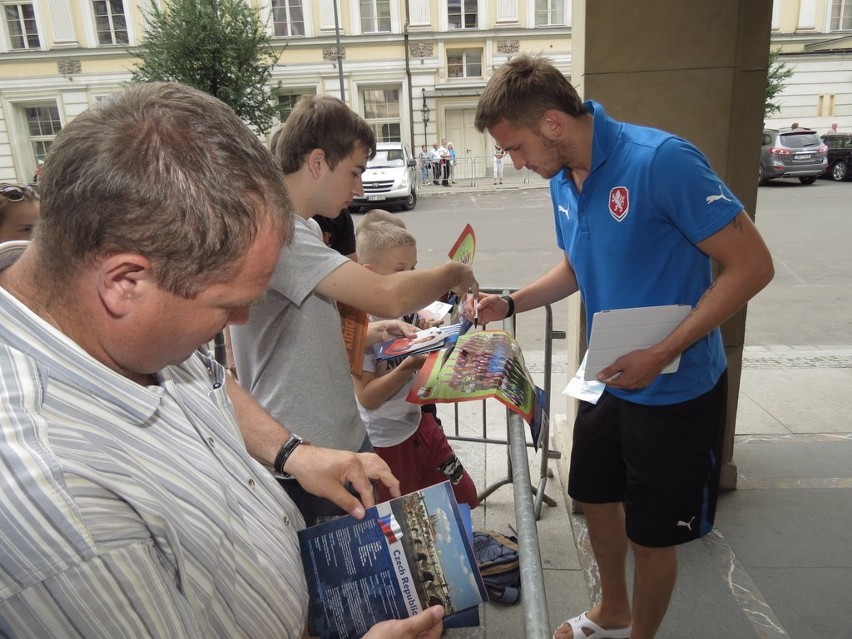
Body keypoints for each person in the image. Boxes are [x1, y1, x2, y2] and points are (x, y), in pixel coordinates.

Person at [0, 82, 444, 639]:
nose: (238, 326)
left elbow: (211, 379)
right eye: (228, 305)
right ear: (124, 283)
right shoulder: (61, 504)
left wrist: (294, 454)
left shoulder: (110, 318)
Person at [471, 55, 774, 639]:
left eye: (515, 148)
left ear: (554, 125)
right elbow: (576, 267)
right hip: (609, 375)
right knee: (594, 495)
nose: (514, 162)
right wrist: (508, 303)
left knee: (653, 534)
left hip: (676, 387)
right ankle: (613, 611)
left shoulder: (662, 162)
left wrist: (663, 351)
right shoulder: (563, 179)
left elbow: (752, 266)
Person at [230, 95, 477, 526]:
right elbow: (386, 294)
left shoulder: (303, 227)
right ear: (318, 161)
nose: (360, 188)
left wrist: (377, 333)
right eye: (355, 171)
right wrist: (451, 271)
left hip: (335, 438)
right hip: (307, 453)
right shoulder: (279, 231)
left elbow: (304, 322)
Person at [352, 213, 479, 508]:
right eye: (401, 269)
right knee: (408, 522)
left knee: (464, 498)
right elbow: (368, 397)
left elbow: (432, 314)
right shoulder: (360, 323)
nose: (411, 276)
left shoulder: (406, 305)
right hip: (386, 444)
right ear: (370, 272)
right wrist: (410, 364)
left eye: (414, 268)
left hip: (420, 423)